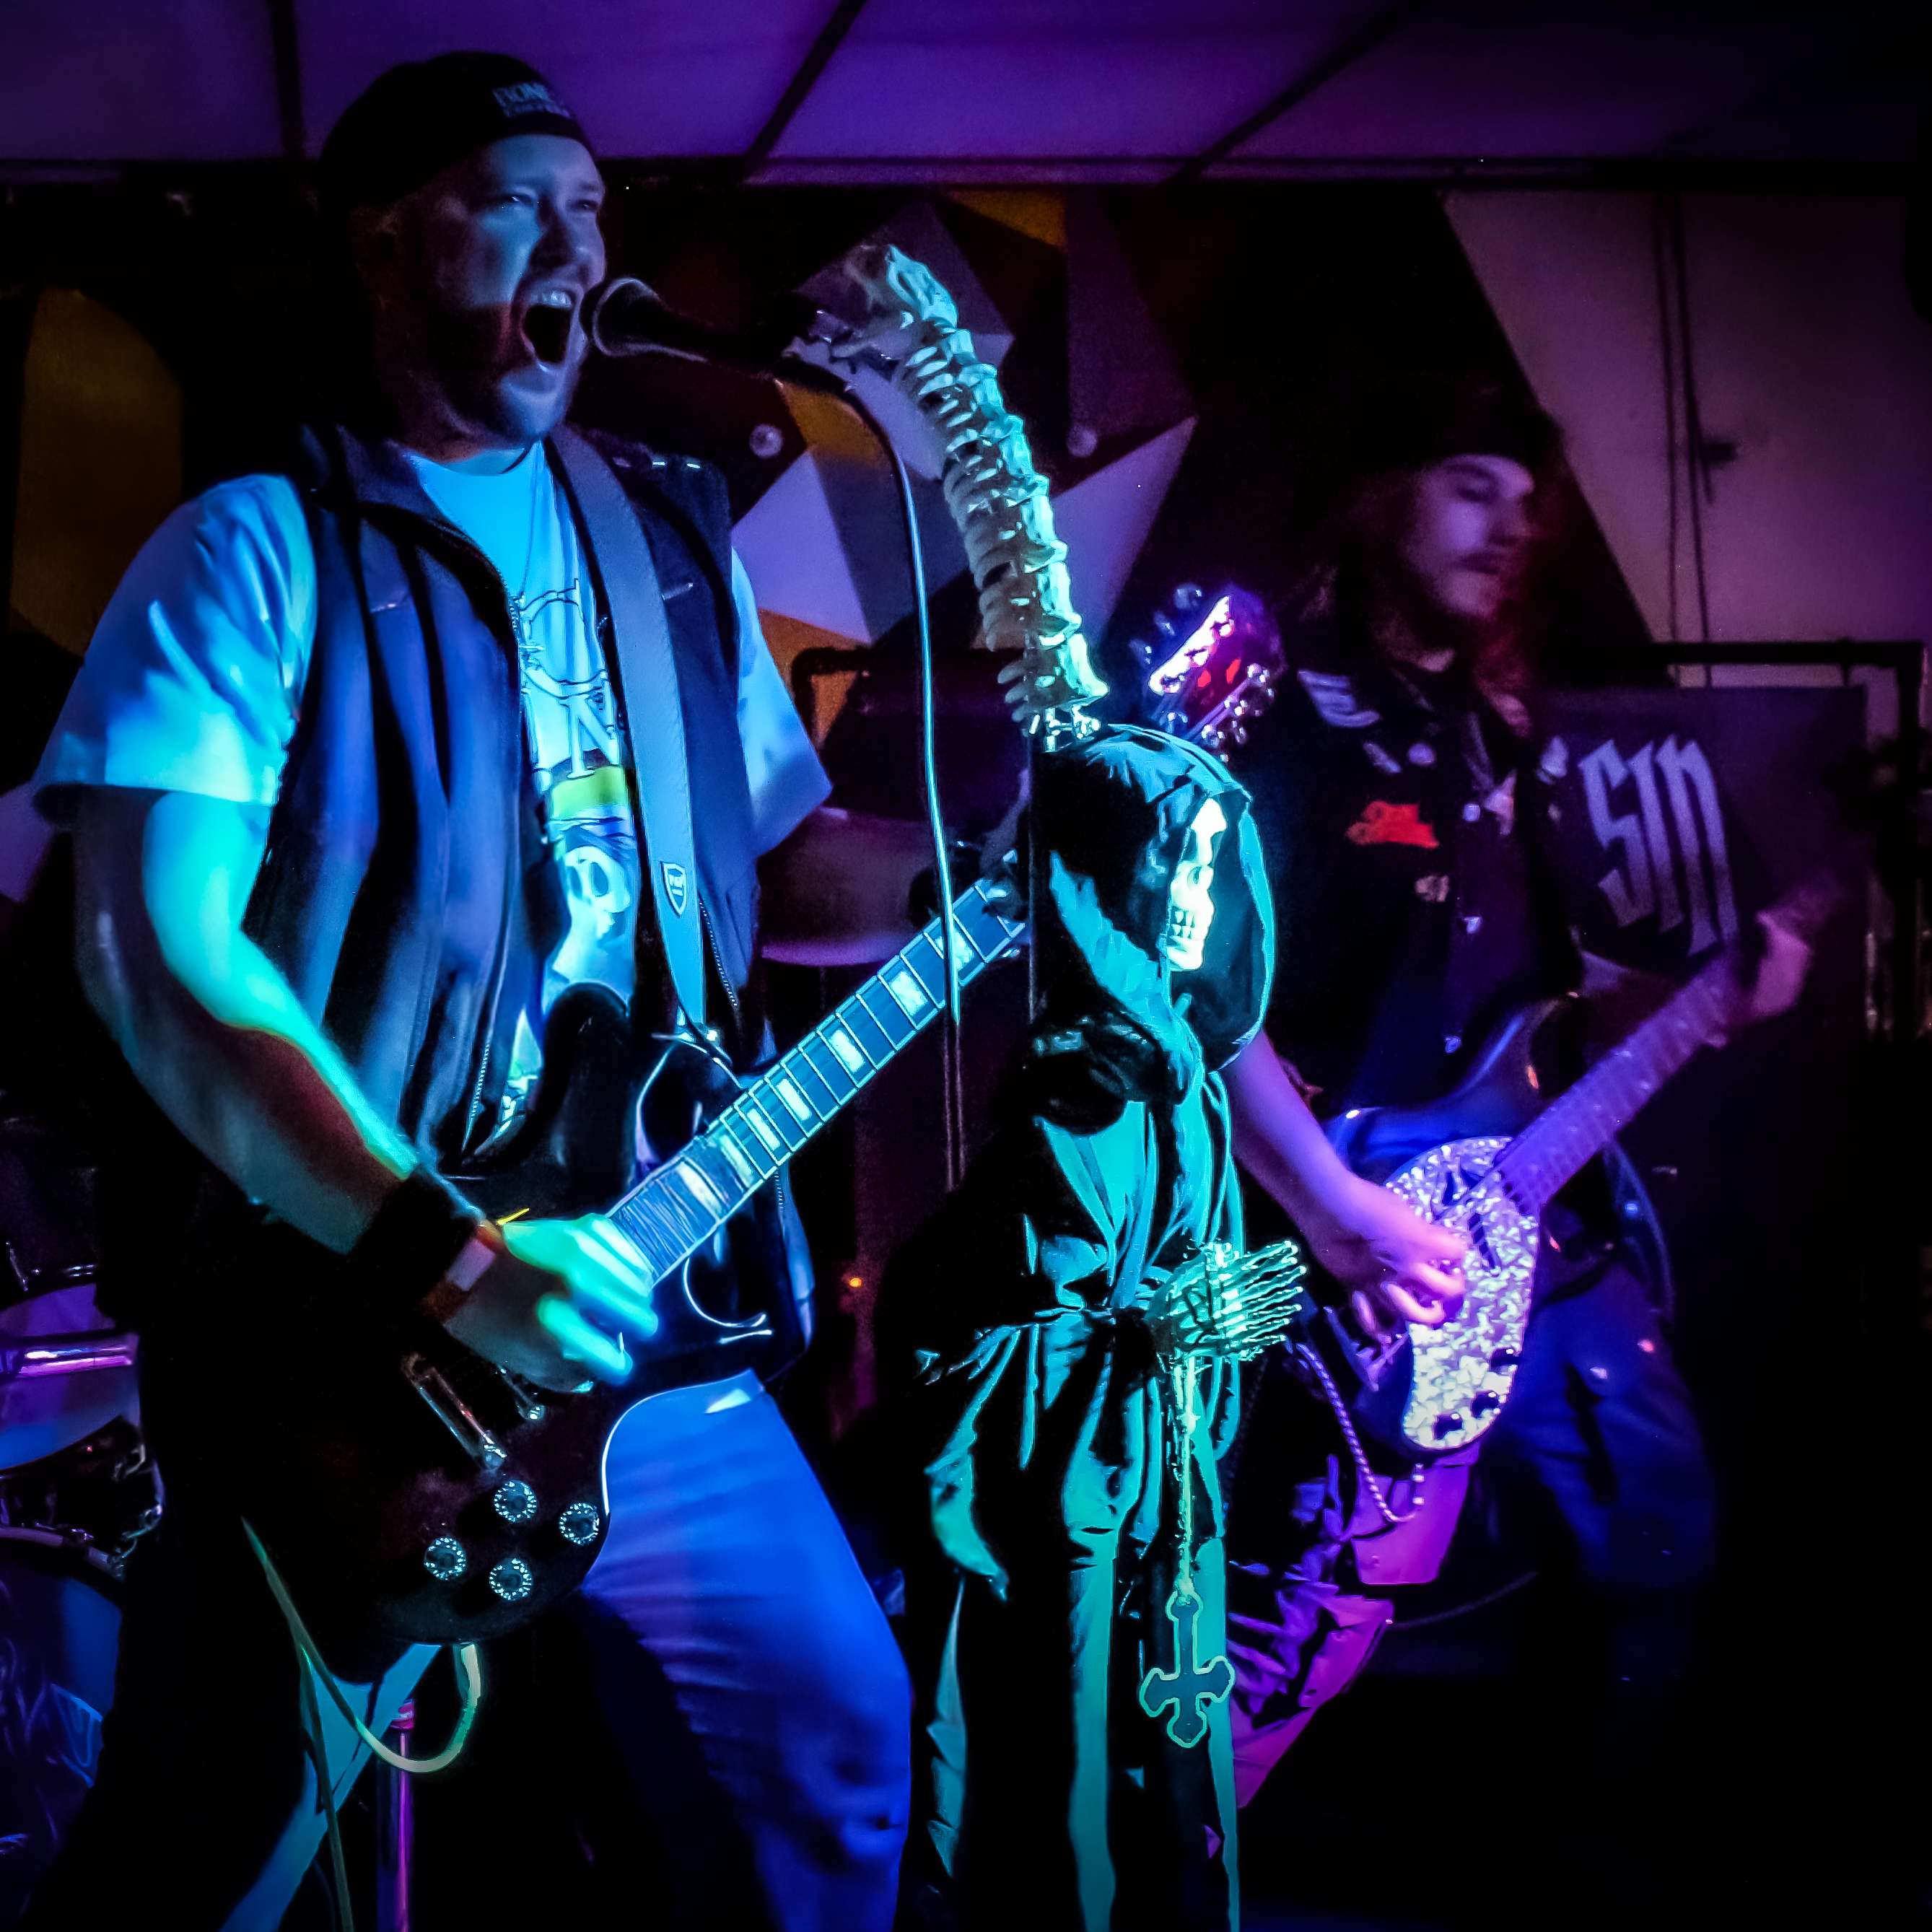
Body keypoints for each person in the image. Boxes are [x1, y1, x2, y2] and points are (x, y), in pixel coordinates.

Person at [19, 52, 936, 1932]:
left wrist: (988, 886)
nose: (578, 249)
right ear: (379, 237)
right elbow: (151, 951)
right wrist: (439, 1248)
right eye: (522, 200)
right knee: (219, 1849)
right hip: (353, 1334)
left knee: (837, 1749)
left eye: (594, 212)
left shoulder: (663, 547)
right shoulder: (262, 543)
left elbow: (784, 879)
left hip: (644, 1319)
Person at [1212, 380, 1809, 1860]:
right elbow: (1185, 995)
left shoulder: (1492, 727)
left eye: (1525, 502)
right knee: (1297, 1622)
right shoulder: (1273, 701)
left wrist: (1704, 997)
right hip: (1335, 1227)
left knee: (1657, 1528)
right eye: (1474, 485)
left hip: (1519, 1221)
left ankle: (1569, 1872)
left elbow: (1528, 991)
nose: (1513, 525)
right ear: (1378, 496)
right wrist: (1331, 1212)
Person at [883, 728, 1277, 1932]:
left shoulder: (1190, 1084)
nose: (1198, 897)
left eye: (1217, 867)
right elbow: (974, 1320)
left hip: (1157, 1486)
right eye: (1178, 864)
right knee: (1059, 1776)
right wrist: (1149, 1326)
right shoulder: (1084, 1079)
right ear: (1116, 876)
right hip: (1066, 1491)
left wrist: (1192, 1326)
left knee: (1157, 1770)